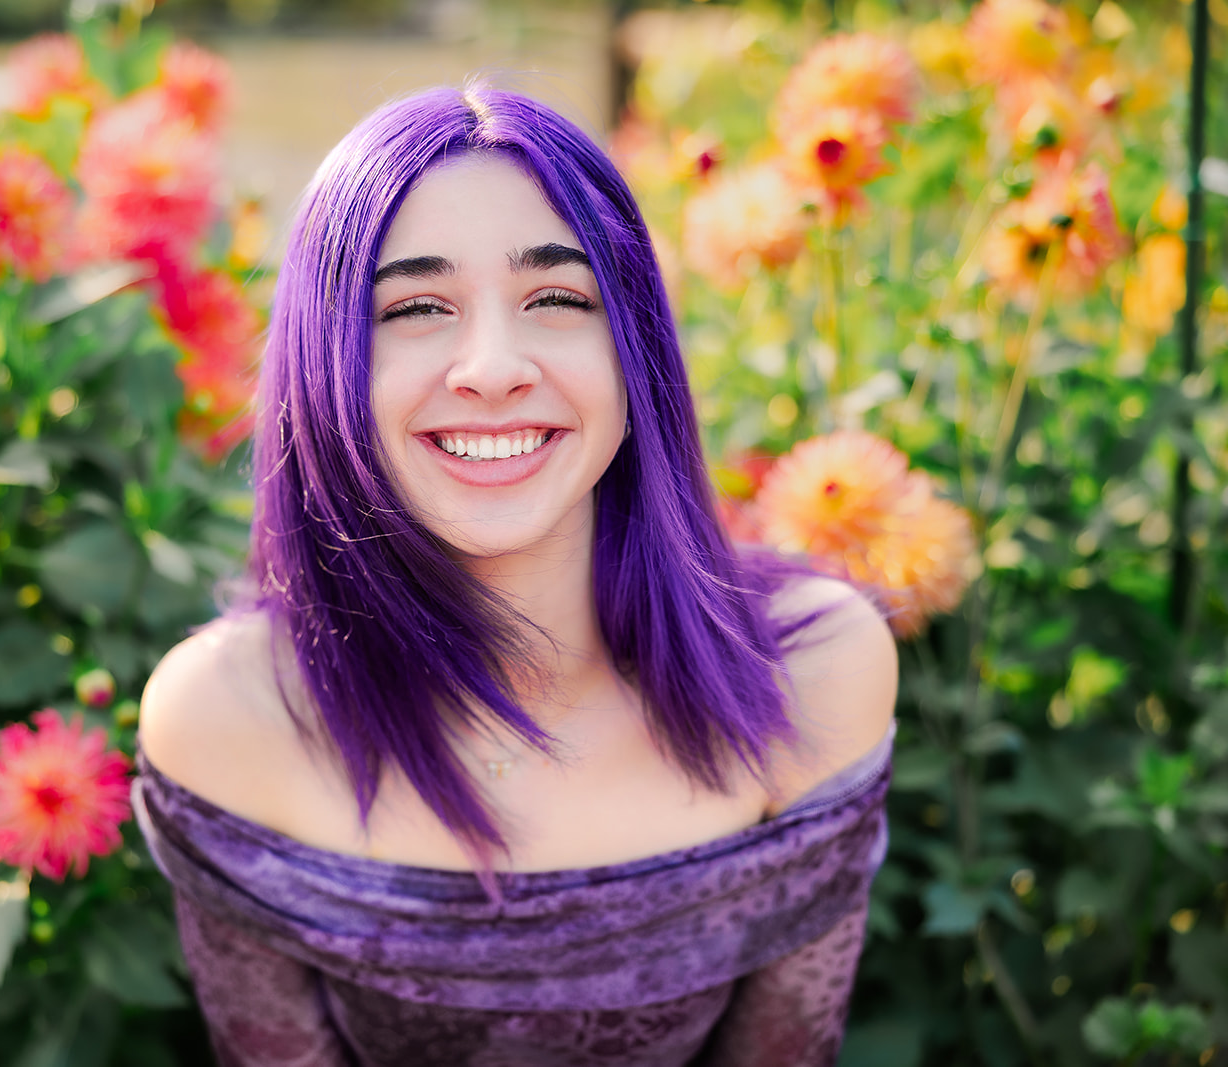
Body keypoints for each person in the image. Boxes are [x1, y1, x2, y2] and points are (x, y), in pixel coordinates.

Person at [133, 83, 898, 1066]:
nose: (491, 366)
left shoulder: (815, 675)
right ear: (327, 365)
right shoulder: (229, 718)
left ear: (636, 354)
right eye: (414, 306)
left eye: (556, 298)